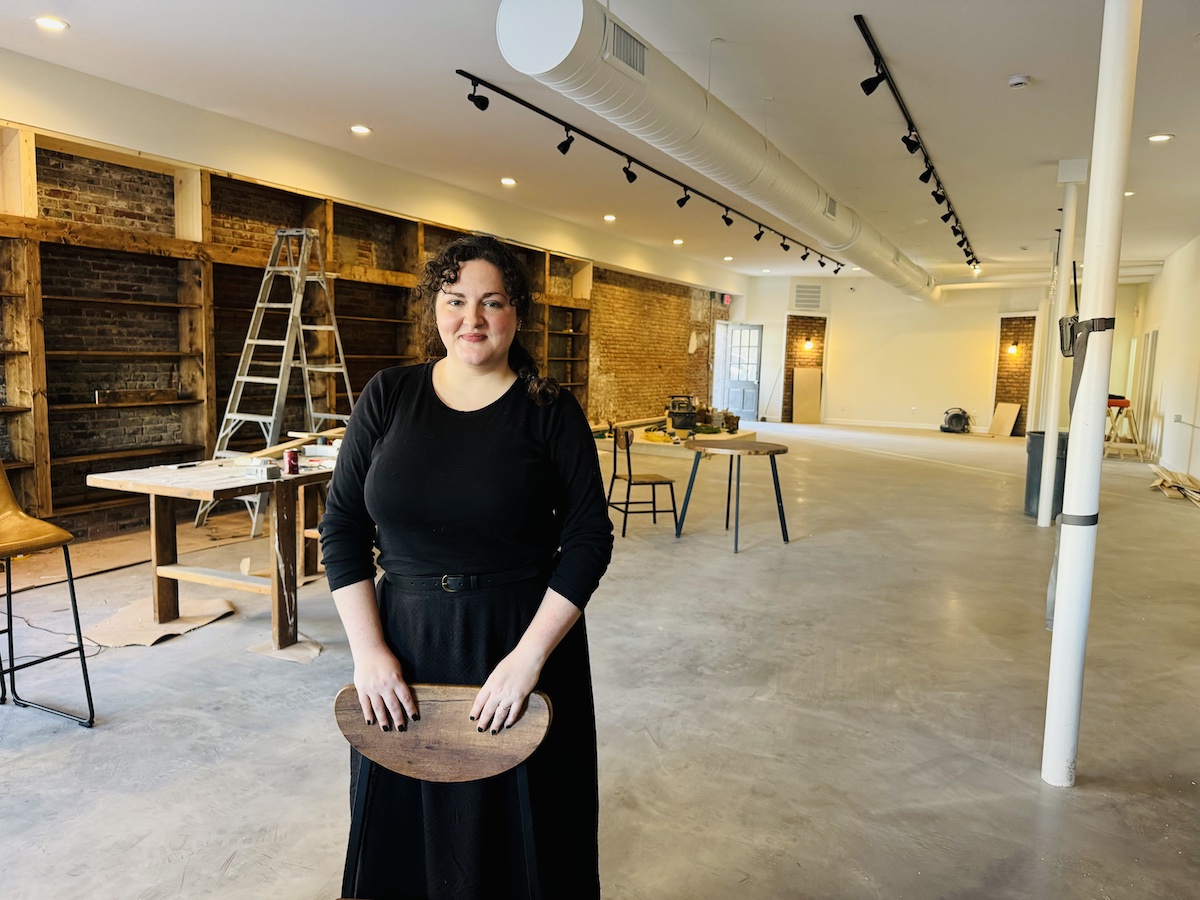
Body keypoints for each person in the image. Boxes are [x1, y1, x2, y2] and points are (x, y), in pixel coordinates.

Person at [319, 233, 614, 899]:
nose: (471, 319)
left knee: (524, 835)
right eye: (455, 300)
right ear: (434, 307)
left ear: (516, 314)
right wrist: (368, 653)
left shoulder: (550, 411)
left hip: (518, 643)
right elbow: (341, 527)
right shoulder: (389, 396)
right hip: (404, 648)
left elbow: (589, 539)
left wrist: (528, 659)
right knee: (406, 834)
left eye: (491, 302)